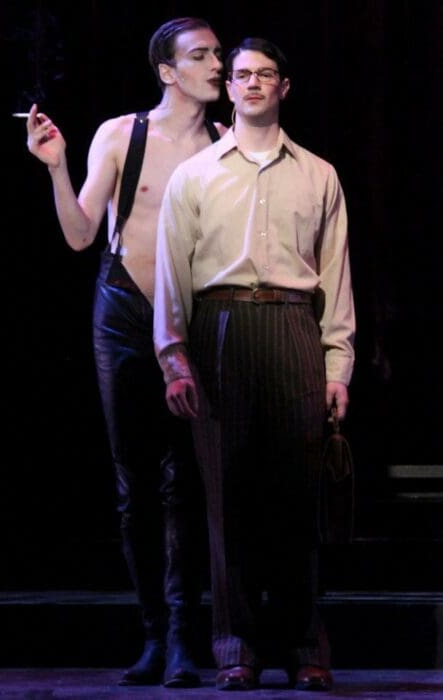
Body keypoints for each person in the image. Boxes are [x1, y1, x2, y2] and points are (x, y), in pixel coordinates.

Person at [25, 17, 226, 688]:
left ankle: (184, 636)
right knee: (132, 483)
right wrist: (57, 167)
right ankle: (151, 633)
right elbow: (81, 235)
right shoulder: (121, 134)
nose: (216, 65)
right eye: (200, 55)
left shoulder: (224, 143)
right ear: (168, 71)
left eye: (217, 54)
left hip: (191, 319)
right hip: (121, 310)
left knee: (184, 482)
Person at [153, 37, 355, 692]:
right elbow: (171, 274)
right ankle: (235, 645)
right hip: (220, 327)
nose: (252, 84)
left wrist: (337, 366)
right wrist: (174, 359)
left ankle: (303, 644)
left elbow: (335, 279)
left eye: (265, 75)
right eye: (241, 75)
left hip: (293, 326)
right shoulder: (195, 175)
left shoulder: (318, 174)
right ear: (230, 87)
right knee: (226, 498)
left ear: (283, 88)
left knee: (297, 498)